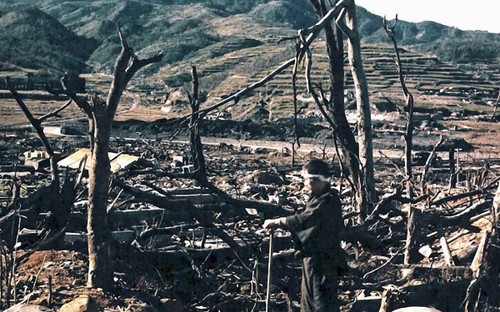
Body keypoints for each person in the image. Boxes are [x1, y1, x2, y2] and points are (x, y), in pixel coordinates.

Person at [263, 158, 346, 312]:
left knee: (320, 302)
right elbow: (304, 217)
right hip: (314, 258)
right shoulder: (321, 197)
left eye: (307, 180)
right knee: (309, 301)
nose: (305, 184)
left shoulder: (327, 201)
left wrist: (279, 222)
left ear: (318, 180)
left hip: (322, 260)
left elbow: (306, 219)